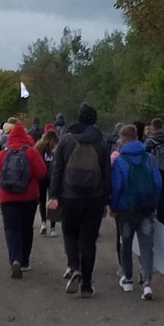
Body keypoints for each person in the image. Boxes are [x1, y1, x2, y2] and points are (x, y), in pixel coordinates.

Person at [46, 101, 110, 298]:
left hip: (70, 196)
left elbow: (57, 170)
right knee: (88, 240)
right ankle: (87, 286)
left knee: (70, 233)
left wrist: (53, 195)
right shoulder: (101, 142)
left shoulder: (67, 140)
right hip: (94, 197)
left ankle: (74, 267)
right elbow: (107, 174)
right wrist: (106, 201)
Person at [110, 124, 163, 300]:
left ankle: (127, 279)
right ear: (137, 137)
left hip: (126, 210)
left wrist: (114, 207)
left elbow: (117, 186)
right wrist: (152, 203)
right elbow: (157, 184)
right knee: (146, 247)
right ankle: (147, 282)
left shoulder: (120, 161)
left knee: (126, 243)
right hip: (146, 209)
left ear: (123, 139)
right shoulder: (150, 159)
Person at [0, 122, 49, 279]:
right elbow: (42, 172)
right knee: (26, 228)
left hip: (7, 197)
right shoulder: (31, 152)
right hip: (29, 197)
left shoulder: (3, 154)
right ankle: (24, 262)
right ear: (25, 137)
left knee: (11, 229)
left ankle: (14, 259)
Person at [34, 127, 60, 235]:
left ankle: (43, 222)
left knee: (42, 200)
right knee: (53, 199)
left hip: (42, 175)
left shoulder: (39, 145)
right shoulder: (58, 146)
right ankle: (53, 227)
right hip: (54, 176)